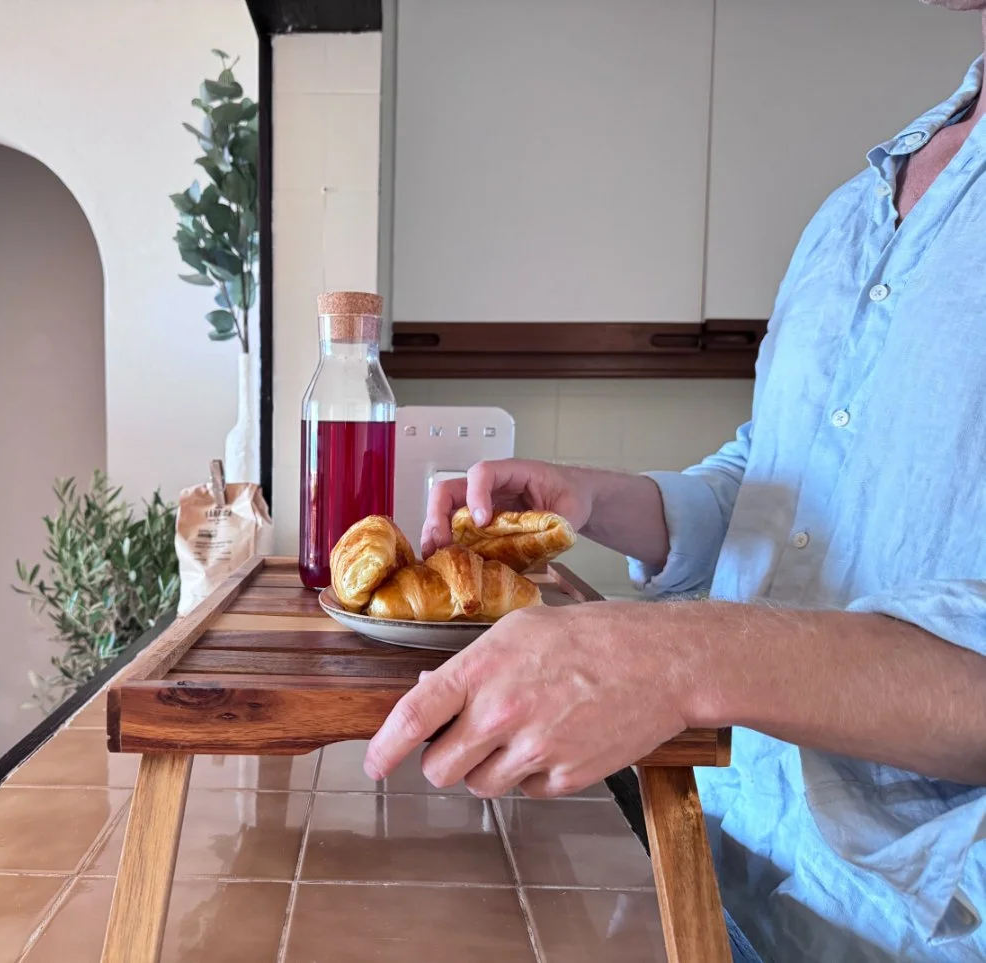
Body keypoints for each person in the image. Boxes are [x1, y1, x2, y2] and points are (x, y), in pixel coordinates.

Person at [363, 4, 986, 961]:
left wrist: (666, 657)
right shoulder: (857, 207)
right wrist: (602, 500)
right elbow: (775, 480)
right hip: (715, 873)